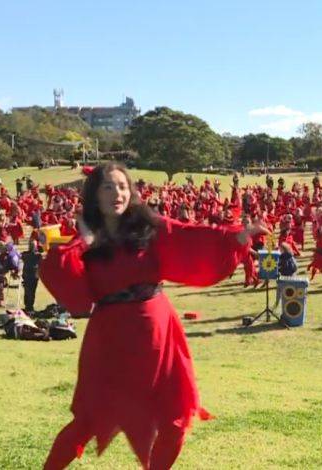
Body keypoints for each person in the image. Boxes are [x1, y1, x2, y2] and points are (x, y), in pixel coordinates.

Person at [39, 162, 267, 470]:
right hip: (111, 337)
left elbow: (190, 238)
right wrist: (82, 244)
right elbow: (74, 293)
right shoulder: (85, 238)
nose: (117, 193)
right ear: (94, 195)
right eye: (108, 187)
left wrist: (237, 238)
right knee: (91, 420)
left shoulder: (149, 225)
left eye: (122, 186)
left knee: (176, 418)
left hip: (158, 331)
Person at [21, 241, 43, 313]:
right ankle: (30, 307)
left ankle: (27, 305)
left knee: (27, 291)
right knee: (32, 291)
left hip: (26, 274)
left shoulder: (24, 254)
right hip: (33, 275)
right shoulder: (37, 255)